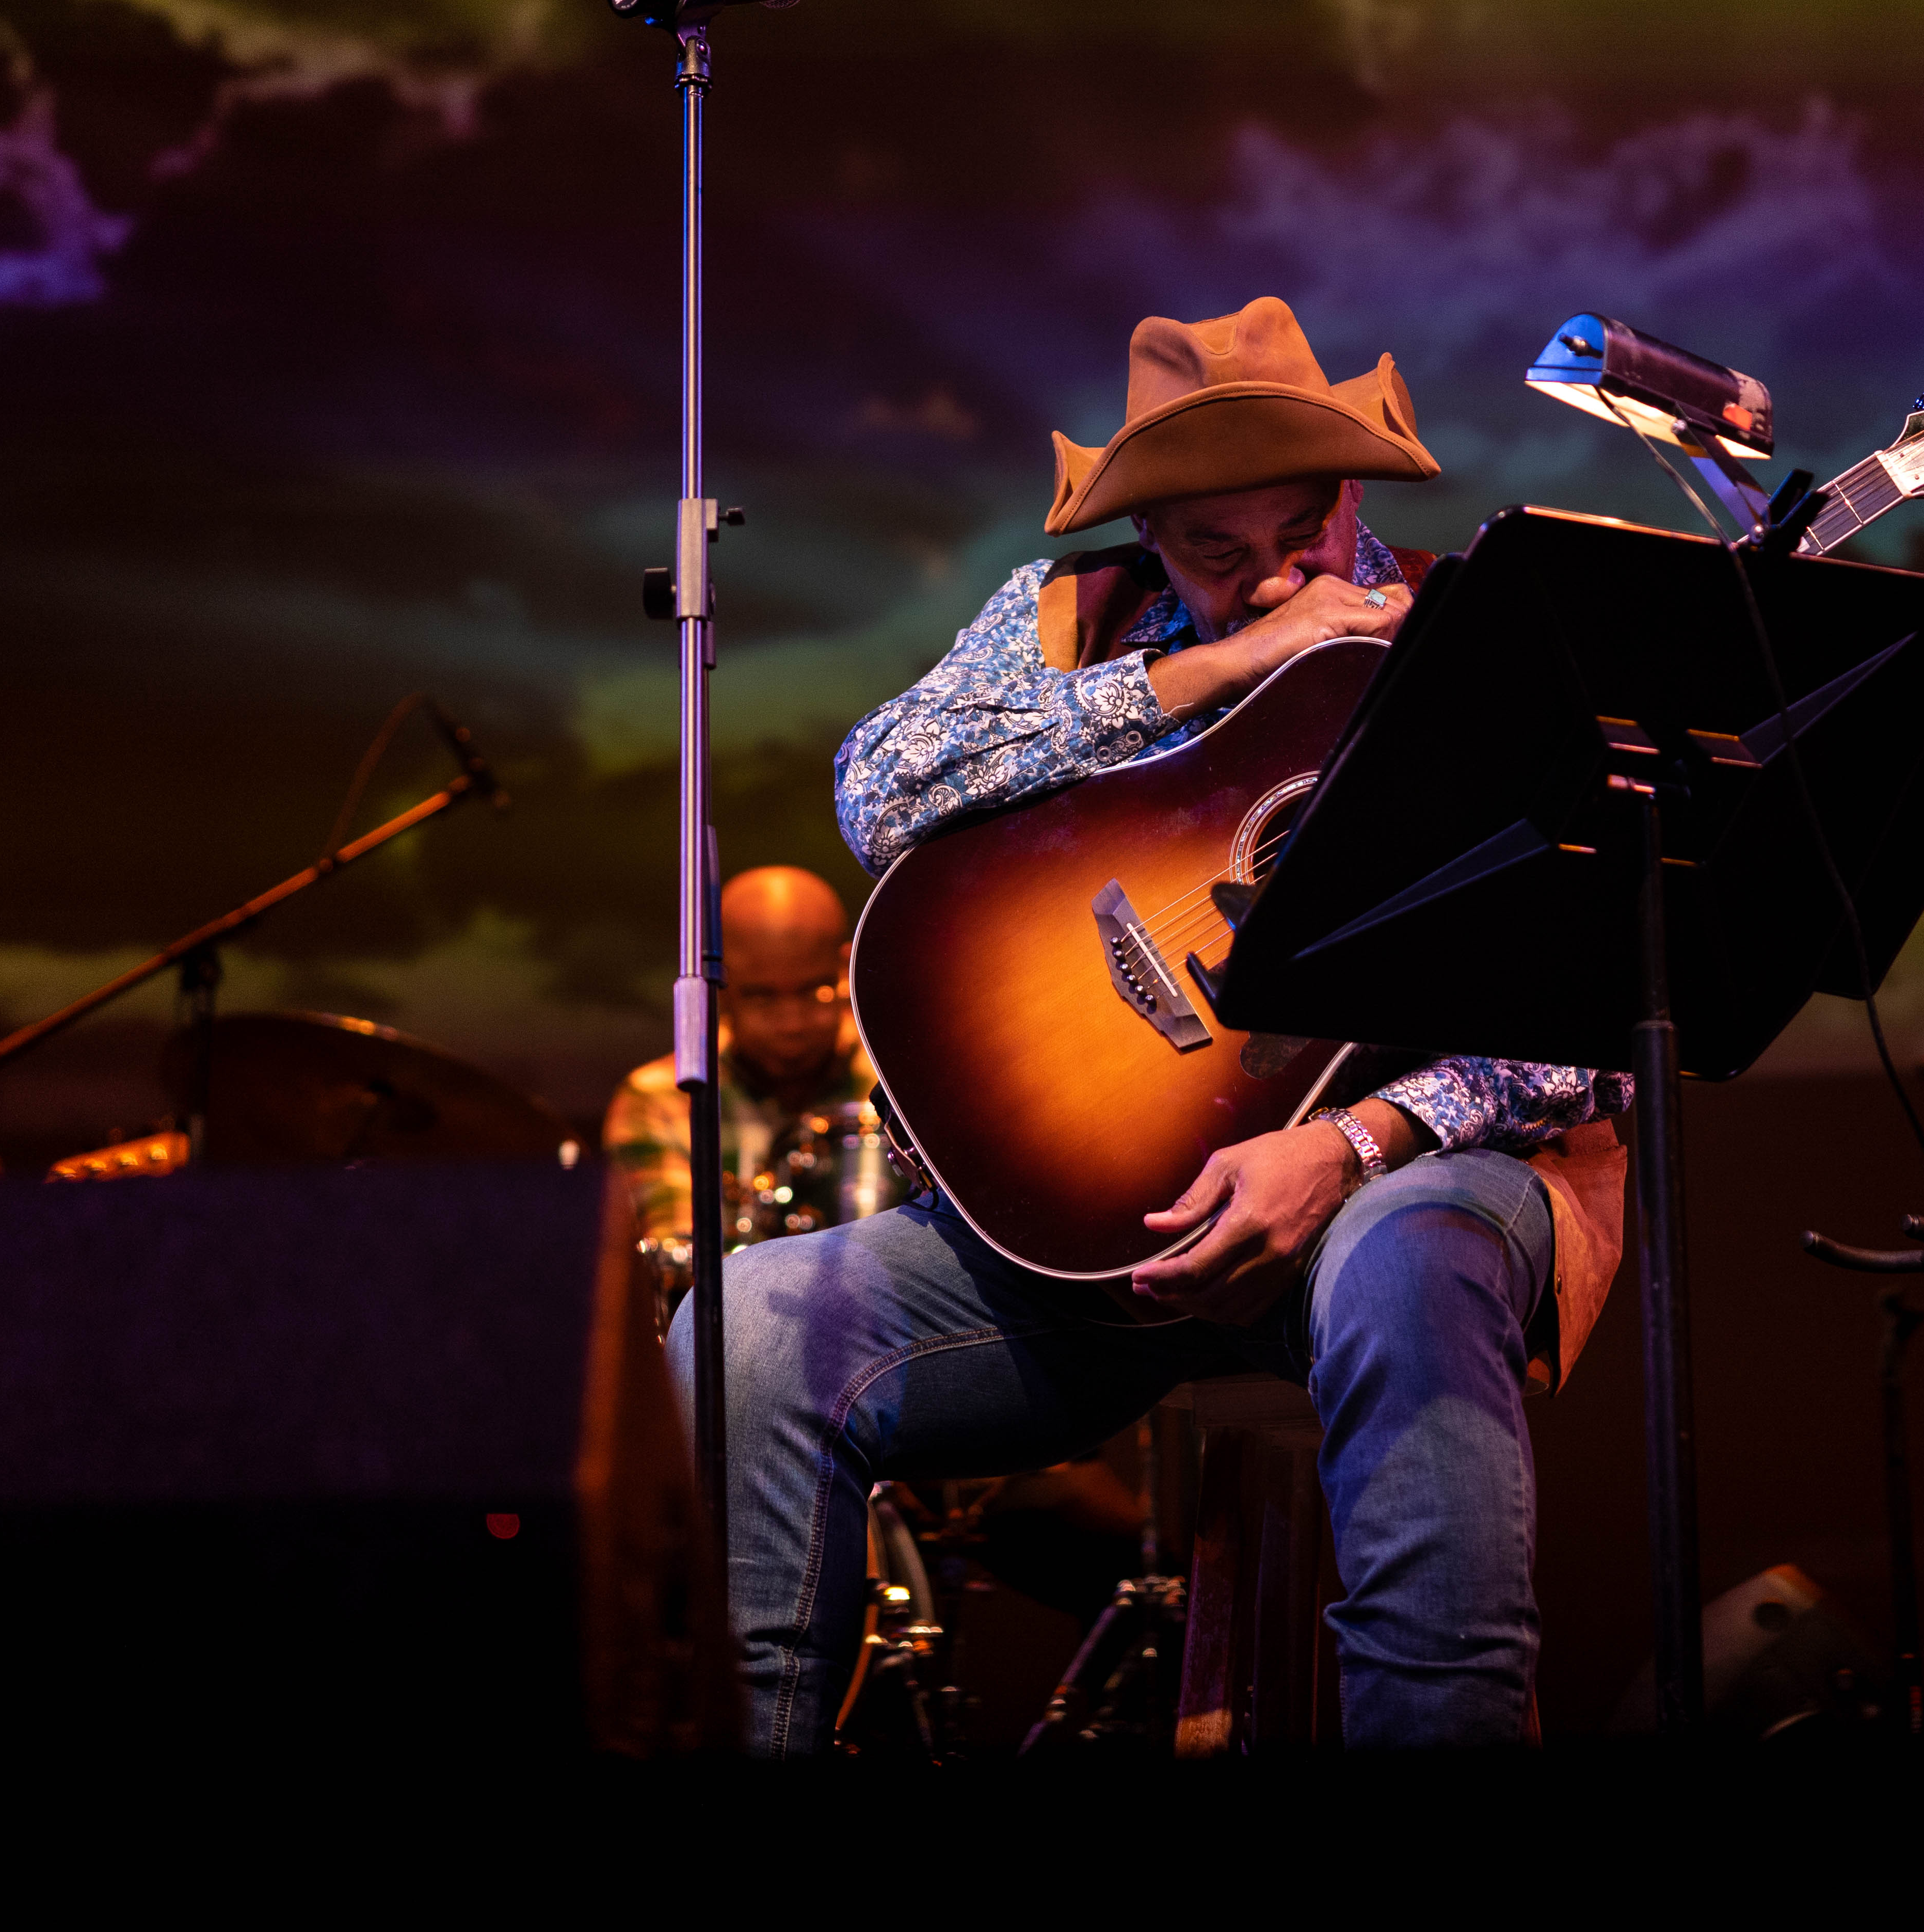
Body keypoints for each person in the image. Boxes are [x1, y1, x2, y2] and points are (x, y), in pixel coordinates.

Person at [676, 296, 1631, 1751]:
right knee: (730, 1338)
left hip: (1398, 1178)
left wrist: (1360, 1145)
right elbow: (880, 793)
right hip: (1083, 1224)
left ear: (1349, 495)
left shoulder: (1487, 641)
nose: (1269, 581)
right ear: (1153, 538)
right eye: (1214, 552)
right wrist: (1206, 674)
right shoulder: (1074, 618)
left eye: (1299, 537)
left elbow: (1598, 1005)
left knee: (1400, 1261)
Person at [604, 863, 884, 1247]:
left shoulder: (899, 1076)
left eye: (814, 991)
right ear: (720, 987)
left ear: (844, 967)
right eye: (761, 997)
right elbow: (681, 1274)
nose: (792, 1024)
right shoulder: (660, 1101)